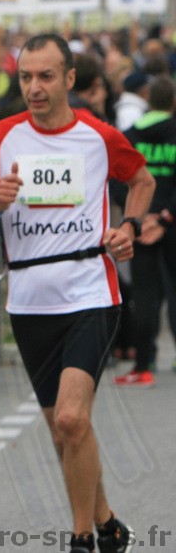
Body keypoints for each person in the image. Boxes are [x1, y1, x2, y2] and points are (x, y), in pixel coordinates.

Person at [0, 34, 152, 553]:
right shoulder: (1, 138)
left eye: (45, 76)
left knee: (71, 417)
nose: (34, 87)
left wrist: (128, 227)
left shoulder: (98, 136)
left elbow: (142, 180)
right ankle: (108, 522)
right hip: (28, 303)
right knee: (64, 430)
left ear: (69, 79)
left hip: (90, 293)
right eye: (26, 77)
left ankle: (82, 539)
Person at [113, 76, 176, 387]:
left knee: (145, 294)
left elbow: (115, 180)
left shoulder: (130, 135)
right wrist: (165, 218)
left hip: (140, 225)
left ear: (148, 100)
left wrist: (136, 216)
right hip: (171, 221)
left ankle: (143, 364)